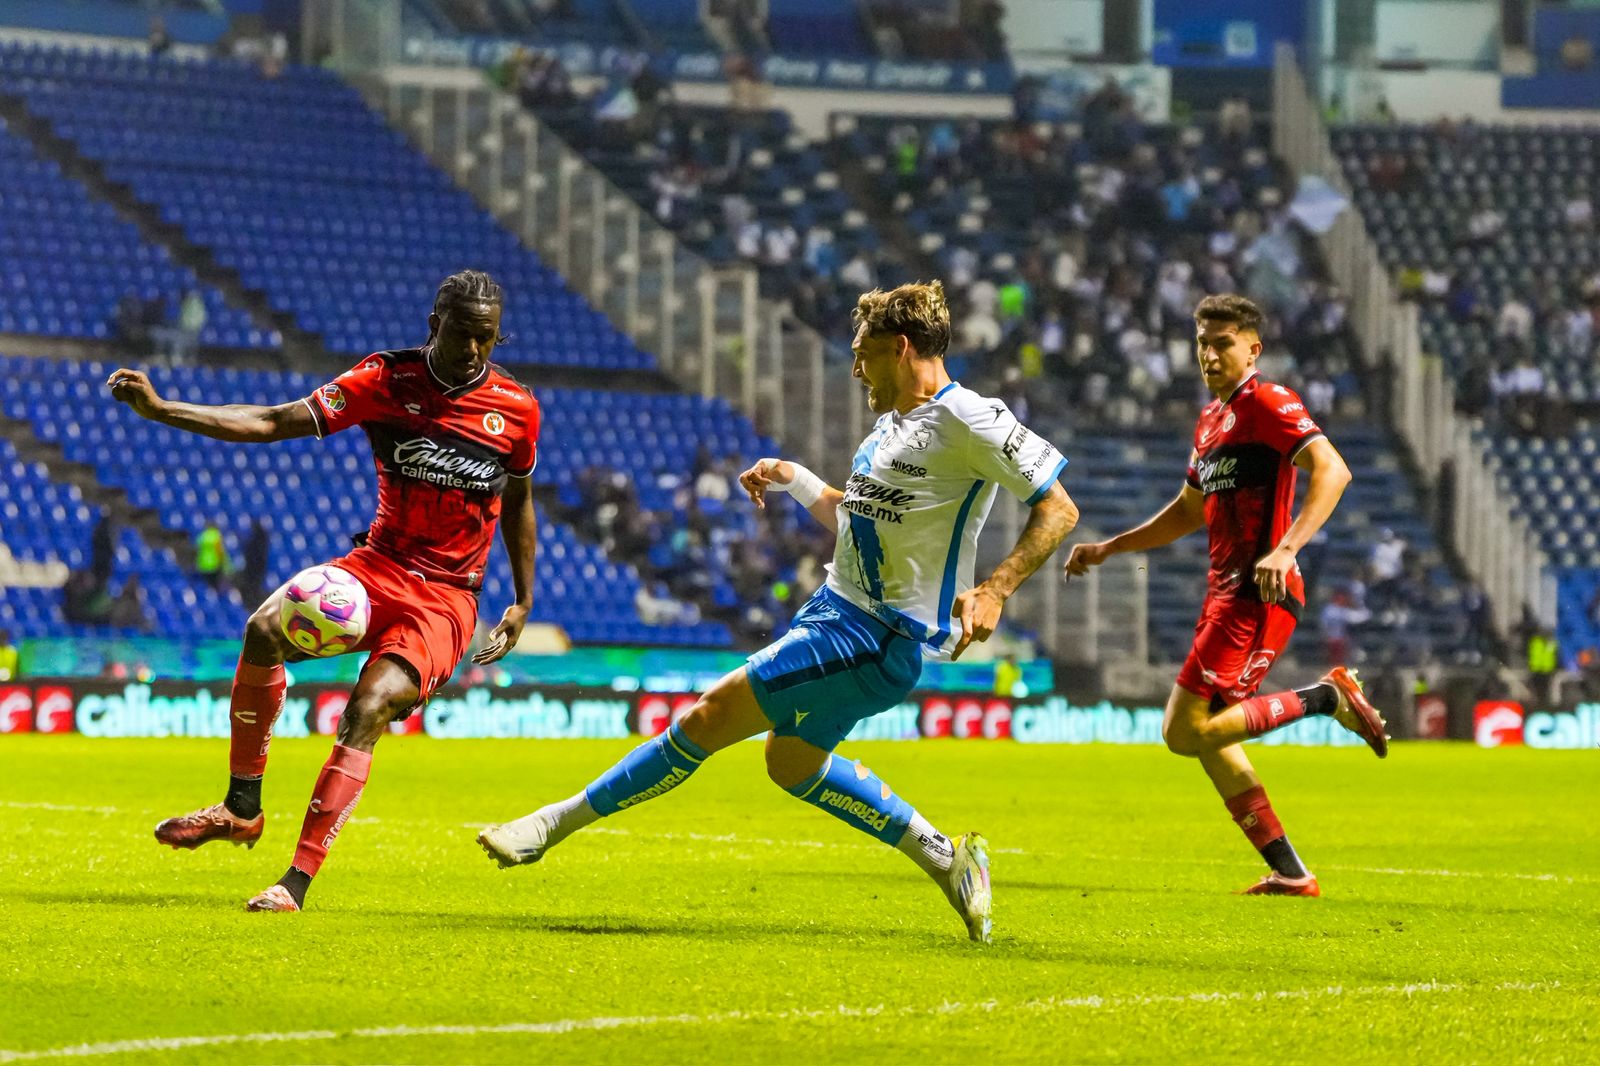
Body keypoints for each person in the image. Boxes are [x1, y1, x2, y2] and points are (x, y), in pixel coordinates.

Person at [477, 281, 1078, 943]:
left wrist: (995, 588)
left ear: (901, 348)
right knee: (789, 763)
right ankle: (947, 855)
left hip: (877, 635)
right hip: (835, 614)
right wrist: (793, 478)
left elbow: (1057, 507)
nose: (855, 368)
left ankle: (547, 828)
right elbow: (858, 522)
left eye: (864, 353)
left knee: (710, 713)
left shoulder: (970, 418)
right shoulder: (891, 428)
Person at [107, 270, 540, 912]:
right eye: (462, 333)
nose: (474, 350)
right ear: (433, 324)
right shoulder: (386, 381)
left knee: (368, 708)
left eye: (487, 339)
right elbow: (273, 420)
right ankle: (240, 808)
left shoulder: (517, 408)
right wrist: (165, 409)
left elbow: (519, 499)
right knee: (261, 631)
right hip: (376, 566)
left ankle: (295, 882)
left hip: (448, 598)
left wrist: (523, 599)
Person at [1066, 294, 1388, 897]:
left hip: (1258, 592)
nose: (1209, 355)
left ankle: (1326, 697)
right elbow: (1188, 512)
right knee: (1213, 735)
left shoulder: (1267, 401)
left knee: (1182, 733)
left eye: (1223, 343)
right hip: (1226, 596)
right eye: (1202, 344)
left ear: (1252, 349)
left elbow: (1333, 469)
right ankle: (1293, 874)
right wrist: (1112, 547)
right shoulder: (1210, 422)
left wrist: (1287, 547)